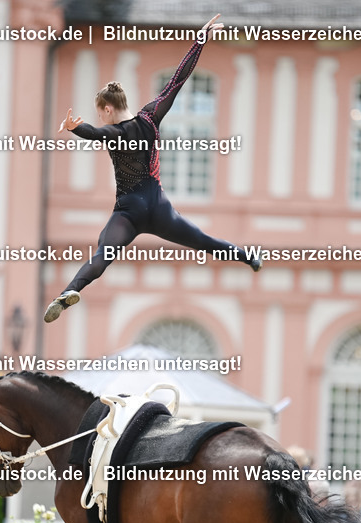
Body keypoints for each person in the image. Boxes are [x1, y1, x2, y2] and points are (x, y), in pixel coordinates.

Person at [44, 13, 261, 323]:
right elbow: (177, 81)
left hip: (128, 213)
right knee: (203, 241)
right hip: (159, 209)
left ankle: (69, 292)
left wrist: (73, 128)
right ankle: (248, 257)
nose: (101, 118)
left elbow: (94, 133)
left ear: (108, 108)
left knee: (103, 254)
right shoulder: (150, 117)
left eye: (101, 113)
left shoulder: (114, 132)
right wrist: (200, 41)